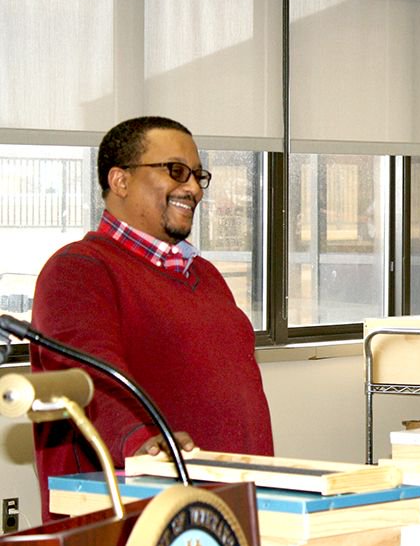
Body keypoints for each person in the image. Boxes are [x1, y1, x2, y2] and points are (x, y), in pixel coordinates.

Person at [30, 116, 274, 520]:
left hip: (230, 512)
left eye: (198, 175)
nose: (193, 188)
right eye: (176, 171)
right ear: (120, 181)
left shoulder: (206, 276)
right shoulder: (79, 270)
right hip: (131, 523)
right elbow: (87, 377)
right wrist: (139, 440)